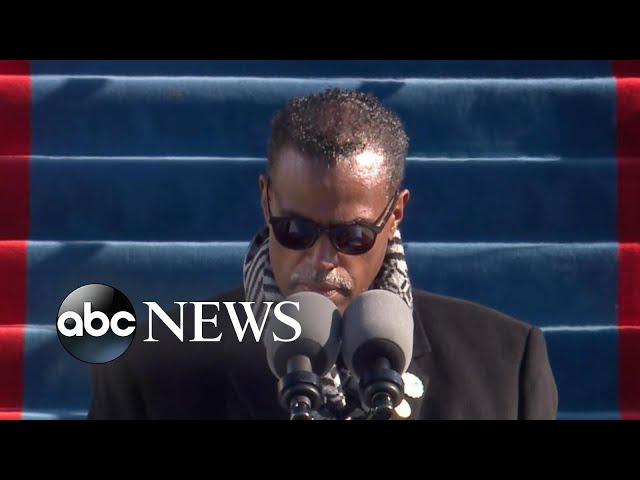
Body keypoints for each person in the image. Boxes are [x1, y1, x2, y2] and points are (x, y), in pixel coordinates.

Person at [87, 88, 558, 420]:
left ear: (395, 214)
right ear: (265, 201)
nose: (321, 259)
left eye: (351, 236)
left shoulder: (505, 365)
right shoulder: (149, 364)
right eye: (296, 231)